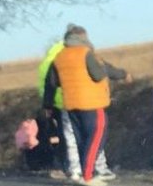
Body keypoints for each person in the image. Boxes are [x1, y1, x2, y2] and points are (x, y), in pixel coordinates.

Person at [43, 25, 131, 186]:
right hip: (91, 103)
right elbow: (98, 76)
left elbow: (51, 83)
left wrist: (48, 106)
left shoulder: (59, 57)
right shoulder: (86, 53)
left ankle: (85, 173)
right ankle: (89, 176)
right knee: (96, 137)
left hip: (70, 105)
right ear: (82, 38)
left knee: (81, 140)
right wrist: (114, 72)